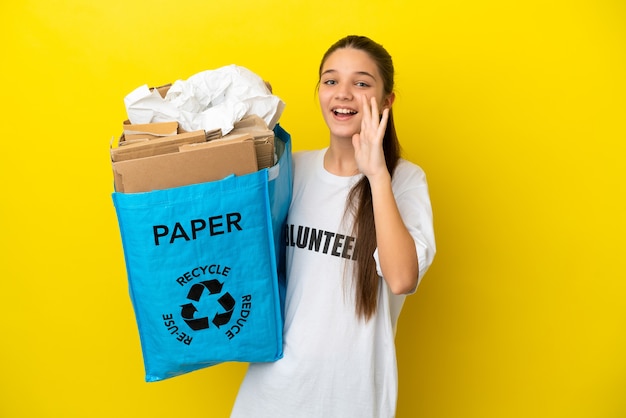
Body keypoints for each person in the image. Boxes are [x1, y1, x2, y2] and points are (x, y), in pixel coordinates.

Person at [230, 35, 436, 418]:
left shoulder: (403, 180)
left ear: (386, 101)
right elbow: (244, 254)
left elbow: (402, 278)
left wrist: (376, 174)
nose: (343, 94)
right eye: (330, 81)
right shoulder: (292, 169)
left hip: (352, 400)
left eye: (361, 83)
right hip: (270, 395)